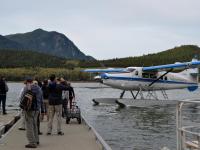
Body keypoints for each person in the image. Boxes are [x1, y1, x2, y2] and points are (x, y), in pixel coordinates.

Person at [20, 77, 43, 148]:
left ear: (27, 81)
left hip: (30, 109)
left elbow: (22, 98)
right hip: (37, 109)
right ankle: (36, 140)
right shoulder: (39, 88)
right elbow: (41, 99)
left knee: (29, 126)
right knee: (34, 125)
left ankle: (32, 143)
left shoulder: (27, 88)